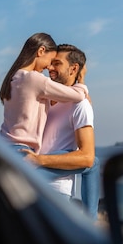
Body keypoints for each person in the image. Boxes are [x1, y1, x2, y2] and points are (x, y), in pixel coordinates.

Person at [22, 44, 100, 220]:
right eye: (51, 62)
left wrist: (38, 160)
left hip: (55, 192)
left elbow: (87, 157)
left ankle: (90, 223)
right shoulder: (43, 96)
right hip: (27, 186)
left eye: (57, 63)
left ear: (73, 68)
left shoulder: (80, 105)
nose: (50, 67)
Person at [0, 33, 88, 154]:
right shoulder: (34, 79)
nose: (48, 67)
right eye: (50, 61)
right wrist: (81, 79)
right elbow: (79, 95)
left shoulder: (15, 77)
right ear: (41, 51)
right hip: (21, 150)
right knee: (89, 162)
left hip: (4, 146)